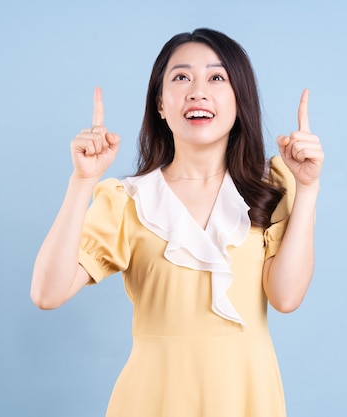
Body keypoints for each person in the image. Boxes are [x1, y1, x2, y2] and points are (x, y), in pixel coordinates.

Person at [31, 28, 324, 417]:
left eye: (217, 78)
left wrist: (307, 189)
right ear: (161, 104)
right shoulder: (127, 199)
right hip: (153, 398)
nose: (198, 91)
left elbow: (286, 298)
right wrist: (83, 181)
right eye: (181, 77)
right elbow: (46, 294)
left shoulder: (271, 187)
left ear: (240, 101)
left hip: (247, 397)